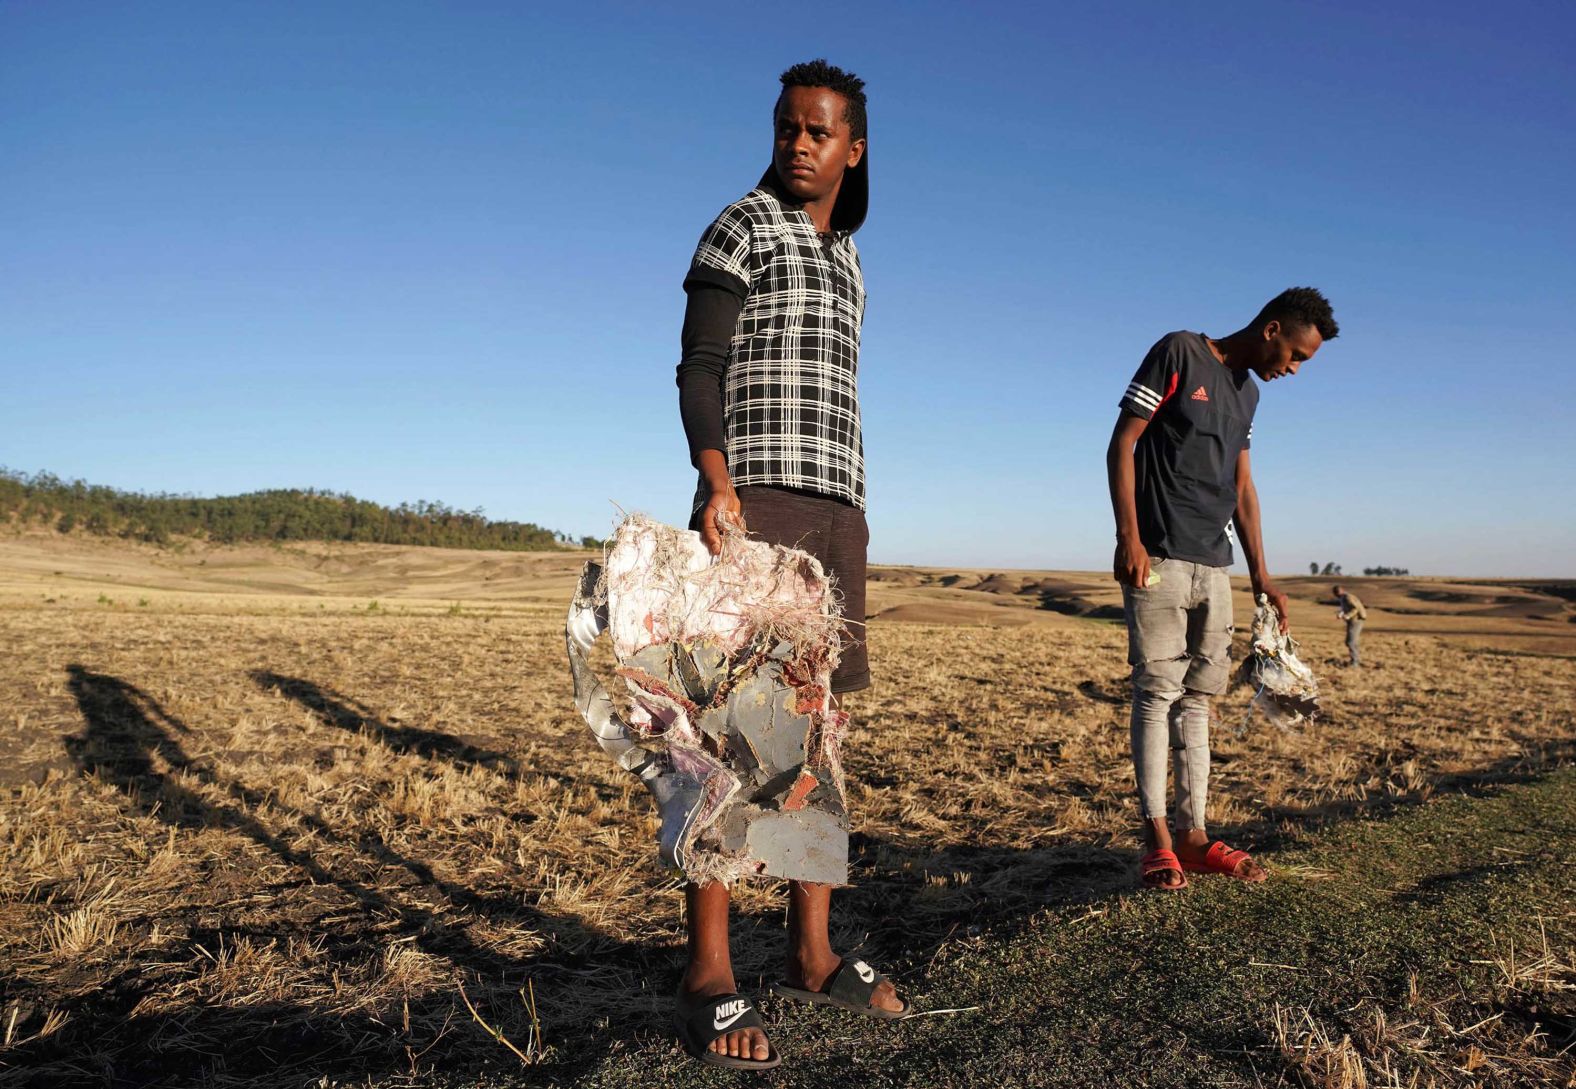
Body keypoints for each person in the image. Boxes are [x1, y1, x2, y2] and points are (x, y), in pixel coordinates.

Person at [670, 59, 905, 1069]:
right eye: (787, 128)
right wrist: (716, 483)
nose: (798, 144)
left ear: (852, 149)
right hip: (751, 504)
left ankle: (811, 952)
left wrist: (844, 515)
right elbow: (698, 366)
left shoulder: (849, 256)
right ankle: (710, 973)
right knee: (728, 740)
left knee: (813, 739)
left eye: (818, 133)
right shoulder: (740, 225)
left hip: (833, 516)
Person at [1105, 288, 1339, 891]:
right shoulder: (1180, 352)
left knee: (1199, 700)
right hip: (1157, 556)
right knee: (1157, 692)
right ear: (1272, 329)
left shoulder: (1249, 394)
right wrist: (1128, 536)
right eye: (1295, 355)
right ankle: (1156, 835)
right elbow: (1123, 442)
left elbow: (1244, 487)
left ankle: (1194, 834)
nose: (1293, 369)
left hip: (1215, 565)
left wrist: (1262, 573)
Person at [1332, 583, 1366, 667]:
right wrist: (1341, 614)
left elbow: (1355, 608)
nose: (1336, 594)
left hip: (1356, 621)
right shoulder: (1343, 598)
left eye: (1337, 592)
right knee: (1349, 641)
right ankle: (1355, 659)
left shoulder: (1348, 597)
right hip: (1352, 621)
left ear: (1341, 591)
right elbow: (1345, 609)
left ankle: (1355, 662)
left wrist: (1348, 616)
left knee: (1351, 642)